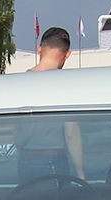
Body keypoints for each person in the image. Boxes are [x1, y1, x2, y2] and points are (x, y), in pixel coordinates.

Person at [22, 27, 85, 180]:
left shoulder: (21, 83)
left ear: (39, 49)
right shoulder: (64, 85)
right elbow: (71, 134)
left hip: (25, 161)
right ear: (67, 54)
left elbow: (15, 131)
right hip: (54, 160)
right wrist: (81, 174)